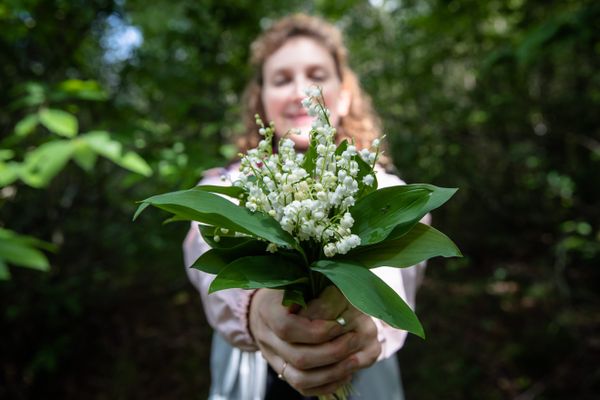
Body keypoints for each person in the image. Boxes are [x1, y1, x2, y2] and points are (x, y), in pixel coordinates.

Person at [183, 14, 427, 400]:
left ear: (344, 95)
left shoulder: (376, 182)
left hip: (360, 376)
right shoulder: (233, 182)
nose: (300, 92)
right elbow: (203, 236)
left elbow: (405, 239)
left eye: (316, 75)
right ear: (260, 99)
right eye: (281, 80)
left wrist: (370, 315)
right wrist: (255, 306)